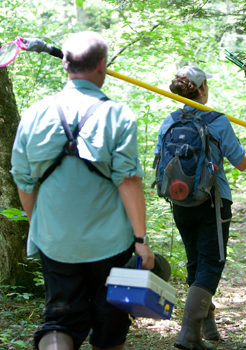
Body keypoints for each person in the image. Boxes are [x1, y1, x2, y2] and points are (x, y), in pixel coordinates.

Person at [11, 31, 154, 350]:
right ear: (102, 65)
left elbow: (23, 181)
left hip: (55, 240)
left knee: (60, 322)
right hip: (111, 242)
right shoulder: (118, 114)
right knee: (110, 324)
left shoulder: (34, 115)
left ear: (65, 65)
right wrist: (141, 240)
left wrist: (41, 227)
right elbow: (128, 181)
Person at [154, 65, 246, 350]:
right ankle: (188, 334)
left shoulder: (169, 122)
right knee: (212, 263)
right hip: (213, 203)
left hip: (179, 201)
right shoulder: (218, 121)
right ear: (202, 88)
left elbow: (160, 162)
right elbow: (242, 163)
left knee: (196, 260)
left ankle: (207, 326)